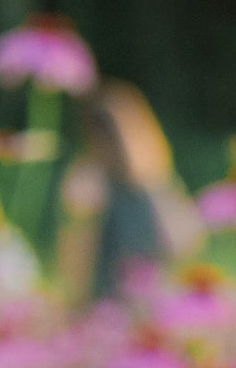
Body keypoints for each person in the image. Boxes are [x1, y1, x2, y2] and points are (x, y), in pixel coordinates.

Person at [57, 82, 202, 304]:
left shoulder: (101, 181)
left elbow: (77, 254)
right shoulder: (154, 179)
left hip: (121, 300)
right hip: (134, 296)